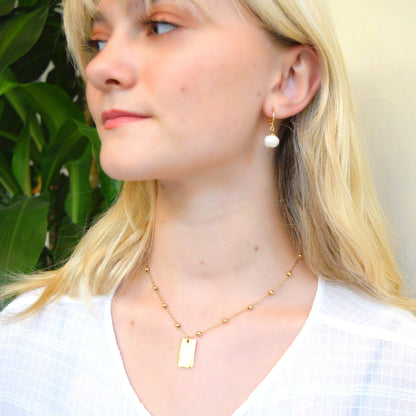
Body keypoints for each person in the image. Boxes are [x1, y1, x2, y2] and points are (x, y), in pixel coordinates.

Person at [1, 0, 415, 415]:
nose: (99, 68)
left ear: (289, 80)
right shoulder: (29, 343)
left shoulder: (390, 368)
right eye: (98, 41)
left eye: (160, 27)